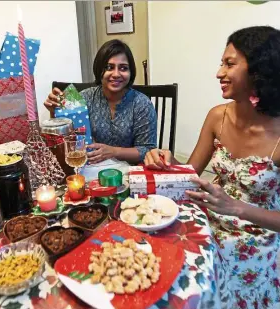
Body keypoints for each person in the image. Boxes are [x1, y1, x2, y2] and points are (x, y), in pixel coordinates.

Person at [145, 26, 280, 308]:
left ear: (258, 70)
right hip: (209, 219)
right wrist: (166, 162)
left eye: (229, 64)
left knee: (205, 283)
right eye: (222, 63)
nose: (219, 73)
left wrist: (234, 207)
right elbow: (190, 173)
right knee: (160, 259)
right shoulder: (217, 117)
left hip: (256, 236)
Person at [44, 39, 157, 164]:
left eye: (123, 68)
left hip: (130, 173)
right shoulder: (83, 98)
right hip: (91, 170)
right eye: (109, 67)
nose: (116, 74)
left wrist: (114, 152)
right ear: (99, 70)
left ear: (131, 73)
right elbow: (66, 140)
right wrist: (56, 113)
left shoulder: (142, 104)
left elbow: (147, 149)